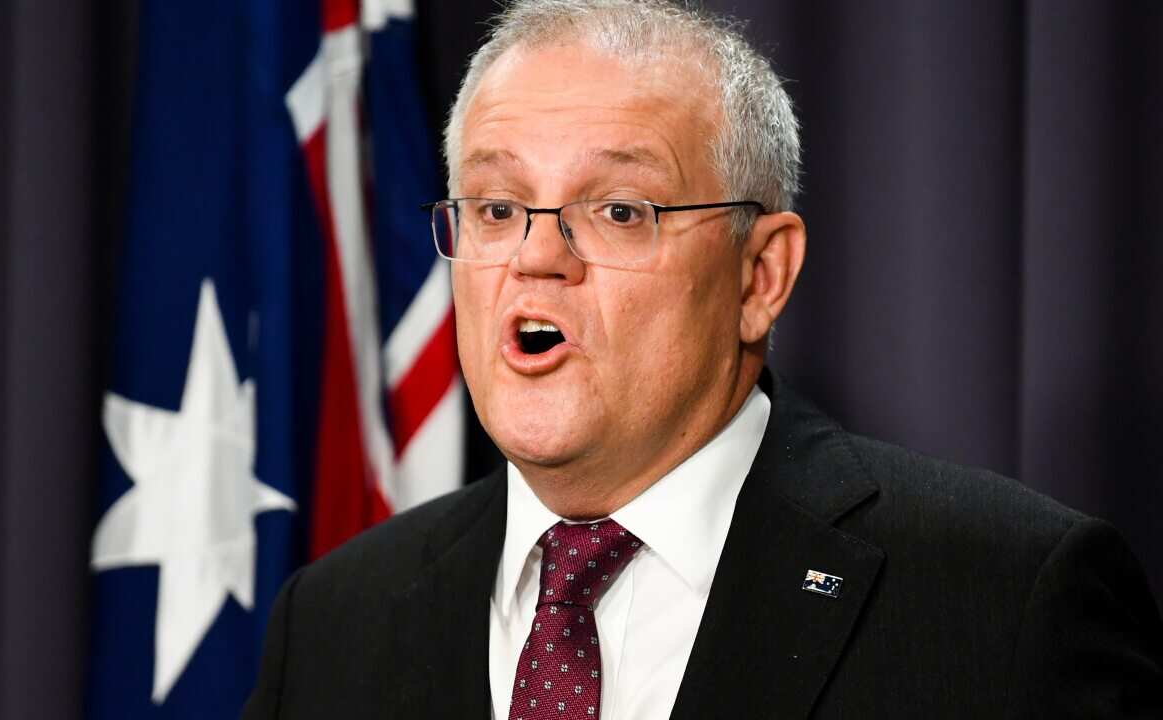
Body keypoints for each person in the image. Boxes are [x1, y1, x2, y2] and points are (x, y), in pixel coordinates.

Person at [243, 1, 1163, 717]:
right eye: (494, 207)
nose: (534, 255)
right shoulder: (331, 623)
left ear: (761, 275)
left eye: (618, 210)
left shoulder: (1002, 602)